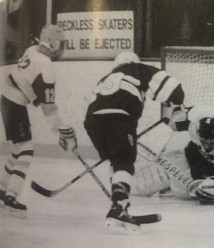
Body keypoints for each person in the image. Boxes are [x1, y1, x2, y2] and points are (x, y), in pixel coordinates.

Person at [83, 51, 185, 232]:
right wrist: (176, 106)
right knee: (124, 162)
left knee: (116, 161)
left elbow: (95, 104)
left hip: (92, 122)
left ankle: (118, 204)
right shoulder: (138, 69)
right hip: (119, 118)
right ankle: (119, 208)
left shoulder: (106, 78)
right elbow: (174, 89)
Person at [0, 25, 77, 217]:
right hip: (14, 103)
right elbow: (48, 107)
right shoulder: (46, 65)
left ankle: (2, 190)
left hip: (6, 98)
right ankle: (10, 198)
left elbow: (33, 92)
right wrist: (61, 129)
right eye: (61, 43)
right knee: (26, 150)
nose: (62, 48)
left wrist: (58, 129)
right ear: (52, 43)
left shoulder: (31, 50)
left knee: (18, 149)